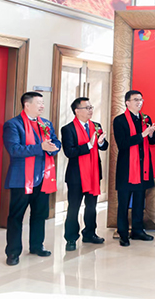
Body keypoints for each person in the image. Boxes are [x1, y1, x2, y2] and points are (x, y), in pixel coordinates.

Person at [3, 92, 61, 266]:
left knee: (39, 214)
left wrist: (53, 147)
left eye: (43, 103)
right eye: (39, 103)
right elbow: (14, 149)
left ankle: (37, 246)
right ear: (27, 105)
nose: (42, 106)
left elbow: (56, 142)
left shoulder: (46, 124)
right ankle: (13, 252)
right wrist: (40, 147)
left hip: (43, 177)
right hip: (21, 179)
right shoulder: (13, 124)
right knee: (16, 217)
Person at [62, 97, 108, 251]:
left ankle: (90, 233)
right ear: (77, 111)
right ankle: (71, 238)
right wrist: (89, 145)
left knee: (92, 206)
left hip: (93, 173)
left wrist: (100, 142)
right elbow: (69, 152)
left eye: (91, 107)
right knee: (73, 208)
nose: (90, 110)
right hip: (76, 176)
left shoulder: (96, 126)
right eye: (87, 108)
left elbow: (104, 146)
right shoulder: (68, 129)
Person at [113, 90, 155, 247]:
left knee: (139, 202)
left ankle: (138, 231)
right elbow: (122, 144)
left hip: (143, 168)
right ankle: (123, 233)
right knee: (124, 203)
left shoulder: (146, 118)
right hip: (127, 169)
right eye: (136, 99)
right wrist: (142, 135)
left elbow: (153, 141)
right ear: (127, 102)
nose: (139, 102)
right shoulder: (119, 120)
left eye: (141, 99)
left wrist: (151, 135)